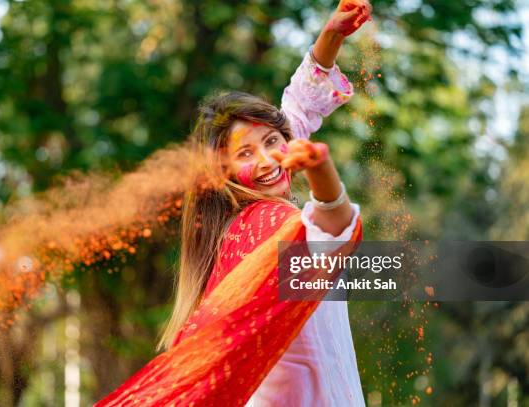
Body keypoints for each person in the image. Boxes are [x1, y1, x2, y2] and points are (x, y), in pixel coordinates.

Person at [96, 1, 372, 405]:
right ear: (222, 175)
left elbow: (298, 105)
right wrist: (322, 172)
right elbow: (333, 230)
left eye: (272, 143)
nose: (265, 161)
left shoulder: (272, 171)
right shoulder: (261, 227)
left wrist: (331, 34)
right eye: (244, 154)